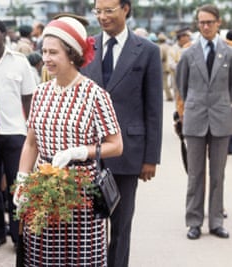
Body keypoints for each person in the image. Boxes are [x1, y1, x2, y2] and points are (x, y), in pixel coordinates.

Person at [13, 14, 123, 266]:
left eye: (54, 52)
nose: (46, 59)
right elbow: (31, 143)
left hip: (81, 191)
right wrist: (22, 179)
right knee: (43, 256)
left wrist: (79, 152)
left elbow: (116, 145)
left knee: (80, 258)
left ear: (72, 54)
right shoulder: (40, 93)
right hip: (43, 188)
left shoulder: (95, 95)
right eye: (44, 51)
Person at [81, 0, 163, 266]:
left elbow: (154, 108)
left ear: (125, 8)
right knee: (87, 224)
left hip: (128, 152)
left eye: (109, 10)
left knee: (121, 225)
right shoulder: (86, 47)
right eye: (98, 11)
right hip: (88, 151)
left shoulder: (147, 51)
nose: (102, 17)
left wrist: (150, 158)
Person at [176, 4, 232, 240]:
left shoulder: (229, 53)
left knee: (218, 173)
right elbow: (181, 84)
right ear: (197, 24)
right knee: (195, 174)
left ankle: (216, 221)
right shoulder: (188, 53)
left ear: (219, 23)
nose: (205, 26)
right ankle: (194, 221)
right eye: (201, 23)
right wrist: (186, 111)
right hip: (196, 118)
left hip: (221, 118)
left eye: (209, 22)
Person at [0, 18, 37, 249]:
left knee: (18, 184)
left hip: (15, 132)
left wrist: (31, 130)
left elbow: (28, 98)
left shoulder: (20, 61)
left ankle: (18, 234)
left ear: (4, 34)